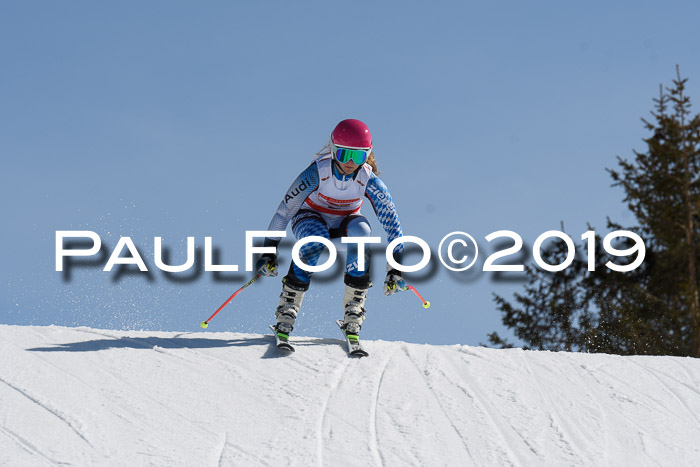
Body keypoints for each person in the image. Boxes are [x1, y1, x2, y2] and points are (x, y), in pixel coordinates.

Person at [255, 118, 405, 342]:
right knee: (316, 239)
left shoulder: (368, 180)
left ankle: (354, 309)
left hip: (346, 221)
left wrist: (396, 267)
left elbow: (391, 222)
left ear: (368, 154)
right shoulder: (317, 172)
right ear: (334, 151)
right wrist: (268, 251)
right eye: (345, 155)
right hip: (310, 218)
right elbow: (284, 212)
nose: (350, 163)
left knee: (363, 232)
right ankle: (288, 306)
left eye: (359, 156)